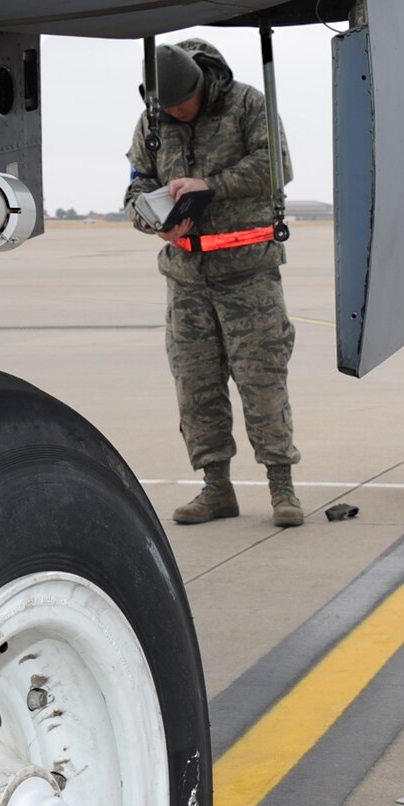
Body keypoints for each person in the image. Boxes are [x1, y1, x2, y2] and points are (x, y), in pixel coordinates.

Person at [125, 40, 302, 527]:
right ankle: (216, 487)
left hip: (249, 274)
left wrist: (211, 185)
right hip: (186, 279)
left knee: (262, 382)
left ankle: (282, 486)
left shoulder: (248, 104)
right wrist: (152, 222)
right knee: (196, 389)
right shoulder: (153, 122)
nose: (177, 114)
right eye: (168, 108)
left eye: (183, 104)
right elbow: (136, 185)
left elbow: (278, 167)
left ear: (202, 86)